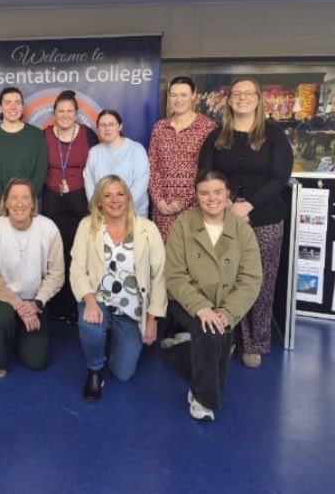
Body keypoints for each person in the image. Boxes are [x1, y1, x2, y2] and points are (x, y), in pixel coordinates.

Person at [199, 77, 293, 368]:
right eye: (236, 94)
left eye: (247, 94)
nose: (242, 98)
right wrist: (226, 204)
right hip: (223, 218)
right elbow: (205, 173)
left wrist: (248, 205)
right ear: (228, 101)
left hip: (264, 218)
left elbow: (279, 177)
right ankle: (227, 337)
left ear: (258, 99)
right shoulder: (217, 136)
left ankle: (255, 343)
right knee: (225, 281)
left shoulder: (275, 135)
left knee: (261, 282)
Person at [162, 170, 263, 421]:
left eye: (218, 192)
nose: (212, 198)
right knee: (210, 341)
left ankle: (180, 351)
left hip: (227, 306)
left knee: (214, 341)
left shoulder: (242, 231)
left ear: (228, 194)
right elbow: (174, 275)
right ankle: (203, 400)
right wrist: (201, 308)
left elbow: (250, 279)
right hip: (187, 303)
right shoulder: (183, 225)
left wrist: (227, 312)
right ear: (196, 196)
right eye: (204, 193)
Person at [69, 175, 167, 402]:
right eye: (108, 195)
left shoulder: (148, 229)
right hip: (99, 300)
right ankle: (94, 370)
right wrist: (90, 302)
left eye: (120, 194)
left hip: (131, 308)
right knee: (91, 324)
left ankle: (115, 339)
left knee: (123, 374)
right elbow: (77, 270)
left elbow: (159, 276)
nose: (115, 200)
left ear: (128, 198)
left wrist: (152, 319)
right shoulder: (87, 226)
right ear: (99, 201)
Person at [0, 178, 64, 377]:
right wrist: (18, 305)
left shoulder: (48, 228)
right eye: (14, 198)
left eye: (26, 198)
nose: (20, 203)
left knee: (37, 361)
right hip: (3, 298)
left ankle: (19, 331)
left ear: (33, 202)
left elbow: (56, 274)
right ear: (5, 203)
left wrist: (37, 303)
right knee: (1, 318)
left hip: (35, 300)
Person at [42, 90, 98, 322]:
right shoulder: (44, 135)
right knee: (56, 253)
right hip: (53, 197)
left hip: (80, 198)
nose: (65, 115)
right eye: (60, 111)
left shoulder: (88, 135)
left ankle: (81, 301)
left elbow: (97, 167)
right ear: (54, 114)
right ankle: (58, 304)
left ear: (76, 114)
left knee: (80, 252)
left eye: (69, 111)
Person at [148, 76, 217, 241]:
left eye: (183, 95)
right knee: (165, 260)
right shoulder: (160, 127)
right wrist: (158, 200)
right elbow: (152, 165)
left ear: (193, 96)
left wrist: (183, 200)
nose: (178, 100)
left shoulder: (208, 128)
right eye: (174, 95)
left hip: (194, 207)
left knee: (193, 258)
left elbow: (209, 171)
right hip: (163, 209)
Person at [0, 87, 47, 219]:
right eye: (8, 103)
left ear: (22, 107)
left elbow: (41, 170)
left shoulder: (36, 135)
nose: (13, 107)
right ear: (0, 107)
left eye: (17, 103)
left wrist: (26, 198)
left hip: (30, 205)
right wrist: (6, 200)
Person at [84, 109, 150, 217]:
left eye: (111, 124)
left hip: (133, 213)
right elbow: (89, 182)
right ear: (98, 128)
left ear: (120, 126)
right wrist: (98, 206)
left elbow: (140, 183)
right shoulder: (94, 152)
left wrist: (119, 207)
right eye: (102, 125)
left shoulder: (136, 149)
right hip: (103, 213)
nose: (107, 128)